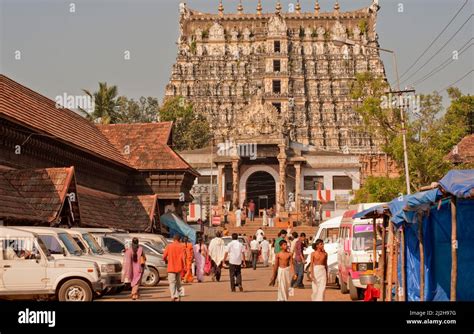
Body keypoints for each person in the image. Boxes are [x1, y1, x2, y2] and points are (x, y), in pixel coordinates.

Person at [163, 234, 186, 301]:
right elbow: (183, 258)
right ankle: (179, 297)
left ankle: (173, 296)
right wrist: (184, 267)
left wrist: (166, 260)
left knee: (172, 283)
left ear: (173, 239)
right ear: (179, 239)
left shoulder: (169, 246)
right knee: (178, 283)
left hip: (171, 267)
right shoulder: (182, 246)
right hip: (179, 268)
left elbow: (164, 256)